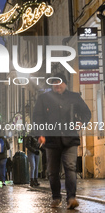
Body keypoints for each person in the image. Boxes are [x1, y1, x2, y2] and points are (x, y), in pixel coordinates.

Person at [33, 73, 91, 209]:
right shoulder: (43, 98)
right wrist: (40, 134)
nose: (57, 85)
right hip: (51, 140)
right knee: (52, 171)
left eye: (59, 82)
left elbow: (86, 112)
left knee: (70, 167)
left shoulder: (74, 97)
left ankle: (71, 198)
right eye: (54, 82)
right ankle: (56, 197)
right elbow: (37, 118)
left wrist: (81, 122)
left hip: (70, 139)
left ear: (65, 83)